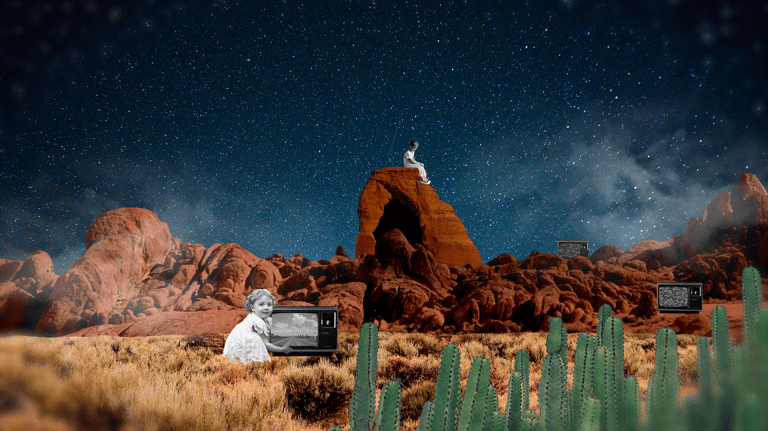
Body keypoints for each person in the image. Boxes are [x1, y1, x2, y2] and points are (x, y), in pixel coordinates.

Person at [222, 289, 292, 363]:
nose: (266, 307)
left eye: (269, 304)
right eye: (261, 304)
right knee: (256, 356)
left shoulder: (261, 318)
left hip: (237, 343)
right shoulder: (257, 322)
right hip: (244, 346)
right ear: (252, 308)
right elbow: (265, 344)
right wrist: (282, 350)